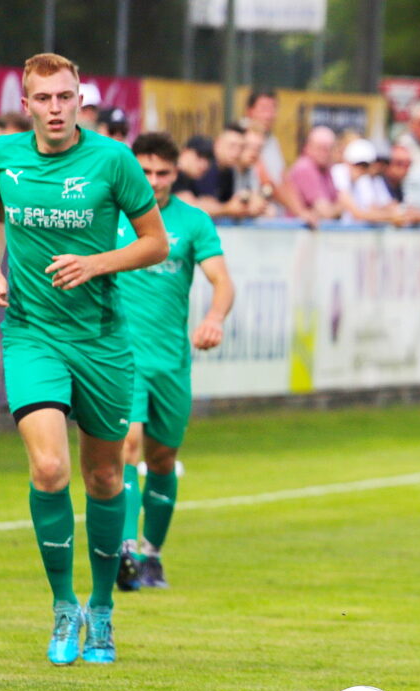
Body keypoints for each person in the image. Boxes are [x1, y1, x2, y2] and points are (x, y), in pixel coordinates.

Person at [0, 53, 169, 666]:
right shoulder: (2, 156)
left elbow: (155, 242)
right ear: (26, 103)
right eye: (44, 98)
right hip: (31, 333)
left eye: (66, 97)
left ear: (80, 98)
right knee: (50, 467)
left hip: (102, 341)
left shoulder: (113, 160)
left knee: (105, 478)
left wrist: (96, 263)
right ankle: (64, 605)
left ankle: (104, 607)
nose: (56, 109)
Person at [115, 132, 234, 592]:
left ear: (174, 174)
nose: (153, 181)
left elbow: (221, 280)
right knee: (127, 445)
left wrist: (215, 317)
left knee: (162, 460)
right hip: (122, 357)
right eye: (144, 172)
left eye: (162, 173)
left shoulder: (193, 222)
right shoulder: (110, 217)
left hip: (171, 362)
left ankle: (152, 555)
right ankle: (125, 552)